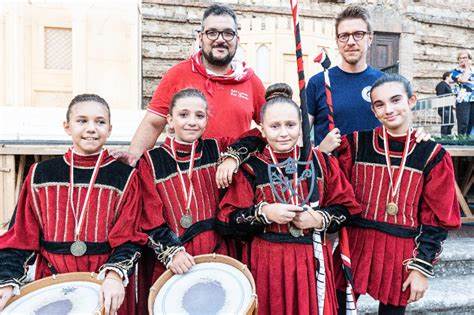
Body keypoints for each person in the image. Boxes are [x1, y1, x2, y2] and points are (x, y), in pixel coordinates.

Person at [217, 83, 361, 315]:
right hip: (267, 263)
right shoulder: (252, 168)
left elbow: (348, 209)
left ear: (302, 127)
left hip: (310, 259)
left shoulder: (321, 162)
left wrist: (319, 219)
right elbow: (227, 221)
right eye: (274, 126)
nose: (283, 132)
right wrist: (264, 213)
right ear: (262, 131)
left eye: (290, 125)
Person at [0, 94, 145, 315]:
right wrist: (7, 280)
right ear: (67, 127)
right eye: (82, 120)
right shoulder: (40, 174)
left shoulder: (124, 176)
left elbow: (129, 236)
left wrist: (115, 275)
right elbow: (21, 235)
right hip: (51, 281)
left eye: (100, 121)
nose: (91, 128)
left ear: (110, 128)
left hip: (104, 283)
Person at [331, 74, 461, 314]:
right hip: (354, 245)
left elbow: (435, 219)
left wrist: (421, 268)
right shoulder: (355, 144)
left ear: (411, 101)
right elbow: (328, 187)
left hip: (399, 252)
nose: (388, 109)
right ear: (373, 109)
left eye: (395, 100)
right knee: (337, 309)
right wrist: (323, 151)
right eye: (379, 104)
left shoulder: (432, 155)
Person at [136, 88, 257, 314]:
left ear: (207, 119)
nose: (192, 122)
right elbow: (148, 216)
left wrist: (232, 158)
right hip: (177, 259)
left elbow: (256, 136)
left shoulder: (217, 149)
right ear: (170, 120)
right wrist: (173, 252)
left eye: (199, 116)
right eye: (183, 115)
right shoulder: (151, 161)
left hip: (219, 253)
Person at [119, 4, 265, 166]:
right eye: (212, 33)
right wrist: (131, 162)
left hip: (234, 176)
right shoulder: (178, 74)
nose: (220, 39)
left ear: (237, 40)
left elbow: (271, 126)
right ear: (201, 38)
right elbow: (153, 124)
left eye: (228, 33)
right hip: (187, 175)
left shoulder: (250, 81)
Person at [306, 5, 383, 145]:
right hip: (330, 165)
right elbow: (300, 136)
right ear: (337, 41)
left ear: (370, 38)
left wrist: (420, 136)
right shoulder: (317, 82)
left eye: (358, 34)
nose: (351, 42)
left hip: (373, 165)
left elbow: (402, 129)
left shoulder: (384, 83)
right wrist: (319, 151)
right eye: (344, 36)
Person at [451, 50, 474, 136]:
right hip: (463, 100)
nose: (462, 60)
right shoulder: (455, 72)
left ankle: (469, 142)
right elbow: (463, 80)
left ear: (469, 59)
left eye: (465, 58)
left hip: (473, 99)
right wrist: (467, 68)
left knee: (471, 123)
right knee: (463, 122)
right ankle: (462, 141)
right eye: (460, 58)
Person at [435, 71, 454, 136]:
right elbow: (440, 95)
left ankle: (448, 137)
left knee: (451, 122)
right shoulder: (442, 84)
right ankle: (444, 137)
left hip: (448, 107)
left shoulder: (447, 85)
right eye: (451, 76)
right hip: (444, 107)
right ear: (447, 77)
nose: (452, 78)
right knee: (445, 123)